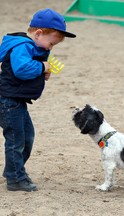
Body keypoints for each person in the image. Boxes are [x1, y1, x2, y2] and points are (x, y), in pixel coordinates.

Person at [0, 8, 76, 192]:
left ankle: (13, 170)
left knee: (27, 137)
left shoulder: (32, 46)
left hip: (17, 102)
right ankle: (15, 179)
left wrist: (43, 74)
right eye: (51, 43)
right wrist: (42, 67)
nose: (50, 48)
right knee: (16, 140)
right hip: (8, 102)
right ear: (38, 33)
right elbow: (22, 69)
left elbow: (27, 70)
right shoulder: (22, 45)